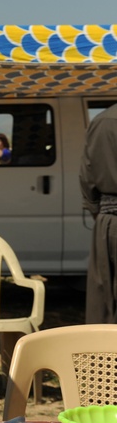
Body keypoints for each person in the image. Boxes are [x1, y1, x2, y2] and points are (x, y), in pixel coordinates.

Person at [80, 103, 117, 324]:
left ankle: (105, 356)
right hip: (109, 216)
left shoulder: (103, 121)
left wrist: (100, 212)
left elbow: (87, 177)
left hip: (109, 221)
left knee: (105, 304)